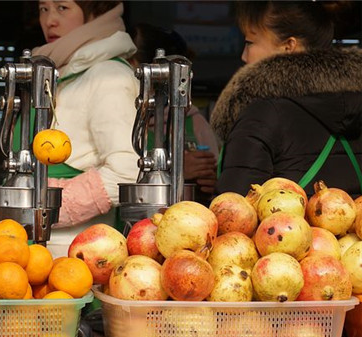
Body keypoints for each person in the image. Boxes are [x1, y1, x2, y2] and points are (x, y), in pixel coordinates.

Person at [211, 1, 362, 197]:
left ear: (288, 46)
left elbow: (233, 212)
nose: (243, 56)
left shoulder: (262, 113)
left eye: (250, 43)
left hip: (280, 228)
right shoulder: (355, 103)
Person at [32, 0, 140, 258]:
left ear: (95, 12)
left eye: (63, 8)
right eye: (43, 9)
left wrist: (44, 207)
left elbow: (126, 171)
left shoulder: (107, 75)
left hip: (79, 252)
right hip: (37, 249)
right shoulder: (58, 73)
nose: (50, 20)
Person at [128, 23, 220, 200]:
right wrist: (178, 170)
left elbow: (214, 180)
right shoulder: (126, 118)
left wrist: (209, 182)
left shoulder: (194, 122)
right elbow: (120, 176)